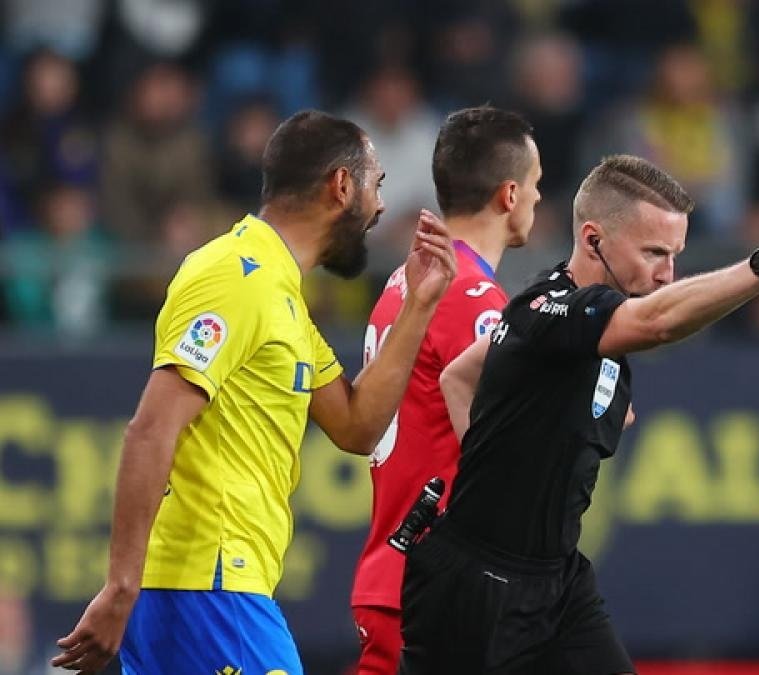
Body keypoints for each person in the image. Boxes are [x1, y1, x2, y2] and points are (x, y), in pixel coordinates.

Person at [50, 109, 458, 674]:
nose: (381, 206)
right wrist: (121, 585)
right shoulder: (234, 275)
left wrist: (419, 305)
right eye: (377, 184)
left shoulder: (281, 293)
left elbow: (357, 426)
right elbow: (151, 427)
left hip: (214, 586)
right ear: (342, 186)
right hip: (208, 584)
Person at [404, 154, 759, 674]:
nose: (667, 273)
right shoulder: (551, 310)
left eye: (674, 254)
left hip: (558, 579)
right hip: (479, 586)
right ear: (593, 240)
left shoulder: (585, 332)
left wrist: (504, 456)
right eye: (654, 252)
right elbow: (658, 323)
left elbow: (459, 376)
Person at [348, 105, 541, 675]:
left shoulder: (405, 282)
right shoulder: (469, 296)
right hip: (434, 587)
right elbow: (509, 442)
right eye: (535, 183)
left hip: (398, 573)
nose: (538, 197)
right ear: (509, 194)